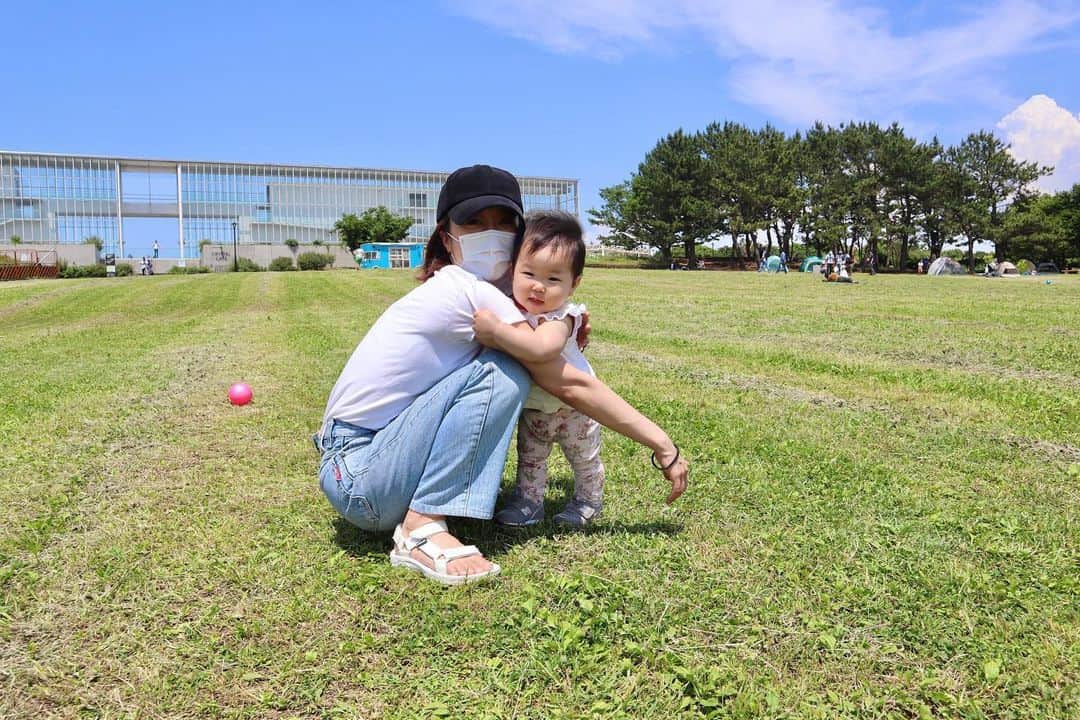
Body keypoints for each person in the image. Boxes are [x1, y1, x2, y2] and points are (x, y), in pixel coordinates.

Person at [315, 165, 689, 585]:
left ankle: (434, 506)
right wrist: (662, 444)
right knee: (505, 369)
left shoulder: (489, 295)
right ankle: (420, 529)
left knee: (508, 358)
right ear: (447, 238)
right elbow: (568, 382)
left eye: (503, 222)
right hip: (360, 474)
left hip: (363, 467)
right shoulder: (468, 290)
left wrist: (560, 327)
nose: (490, 235)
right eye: (473, 223)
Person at [473, 211, 605, 528]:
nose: (538, 287)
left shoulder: (564, 317)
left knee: (584, 459)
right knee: (531, 458)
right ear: (512, 270)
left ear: (574, 284)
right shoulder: (510, 309)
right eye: (529, 273)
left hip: (573, 408)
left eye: (553, 279)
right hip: (534, 407)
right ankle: (528, 503)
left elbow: (543, 349)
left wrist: (496, 332)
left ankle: (589, 501)